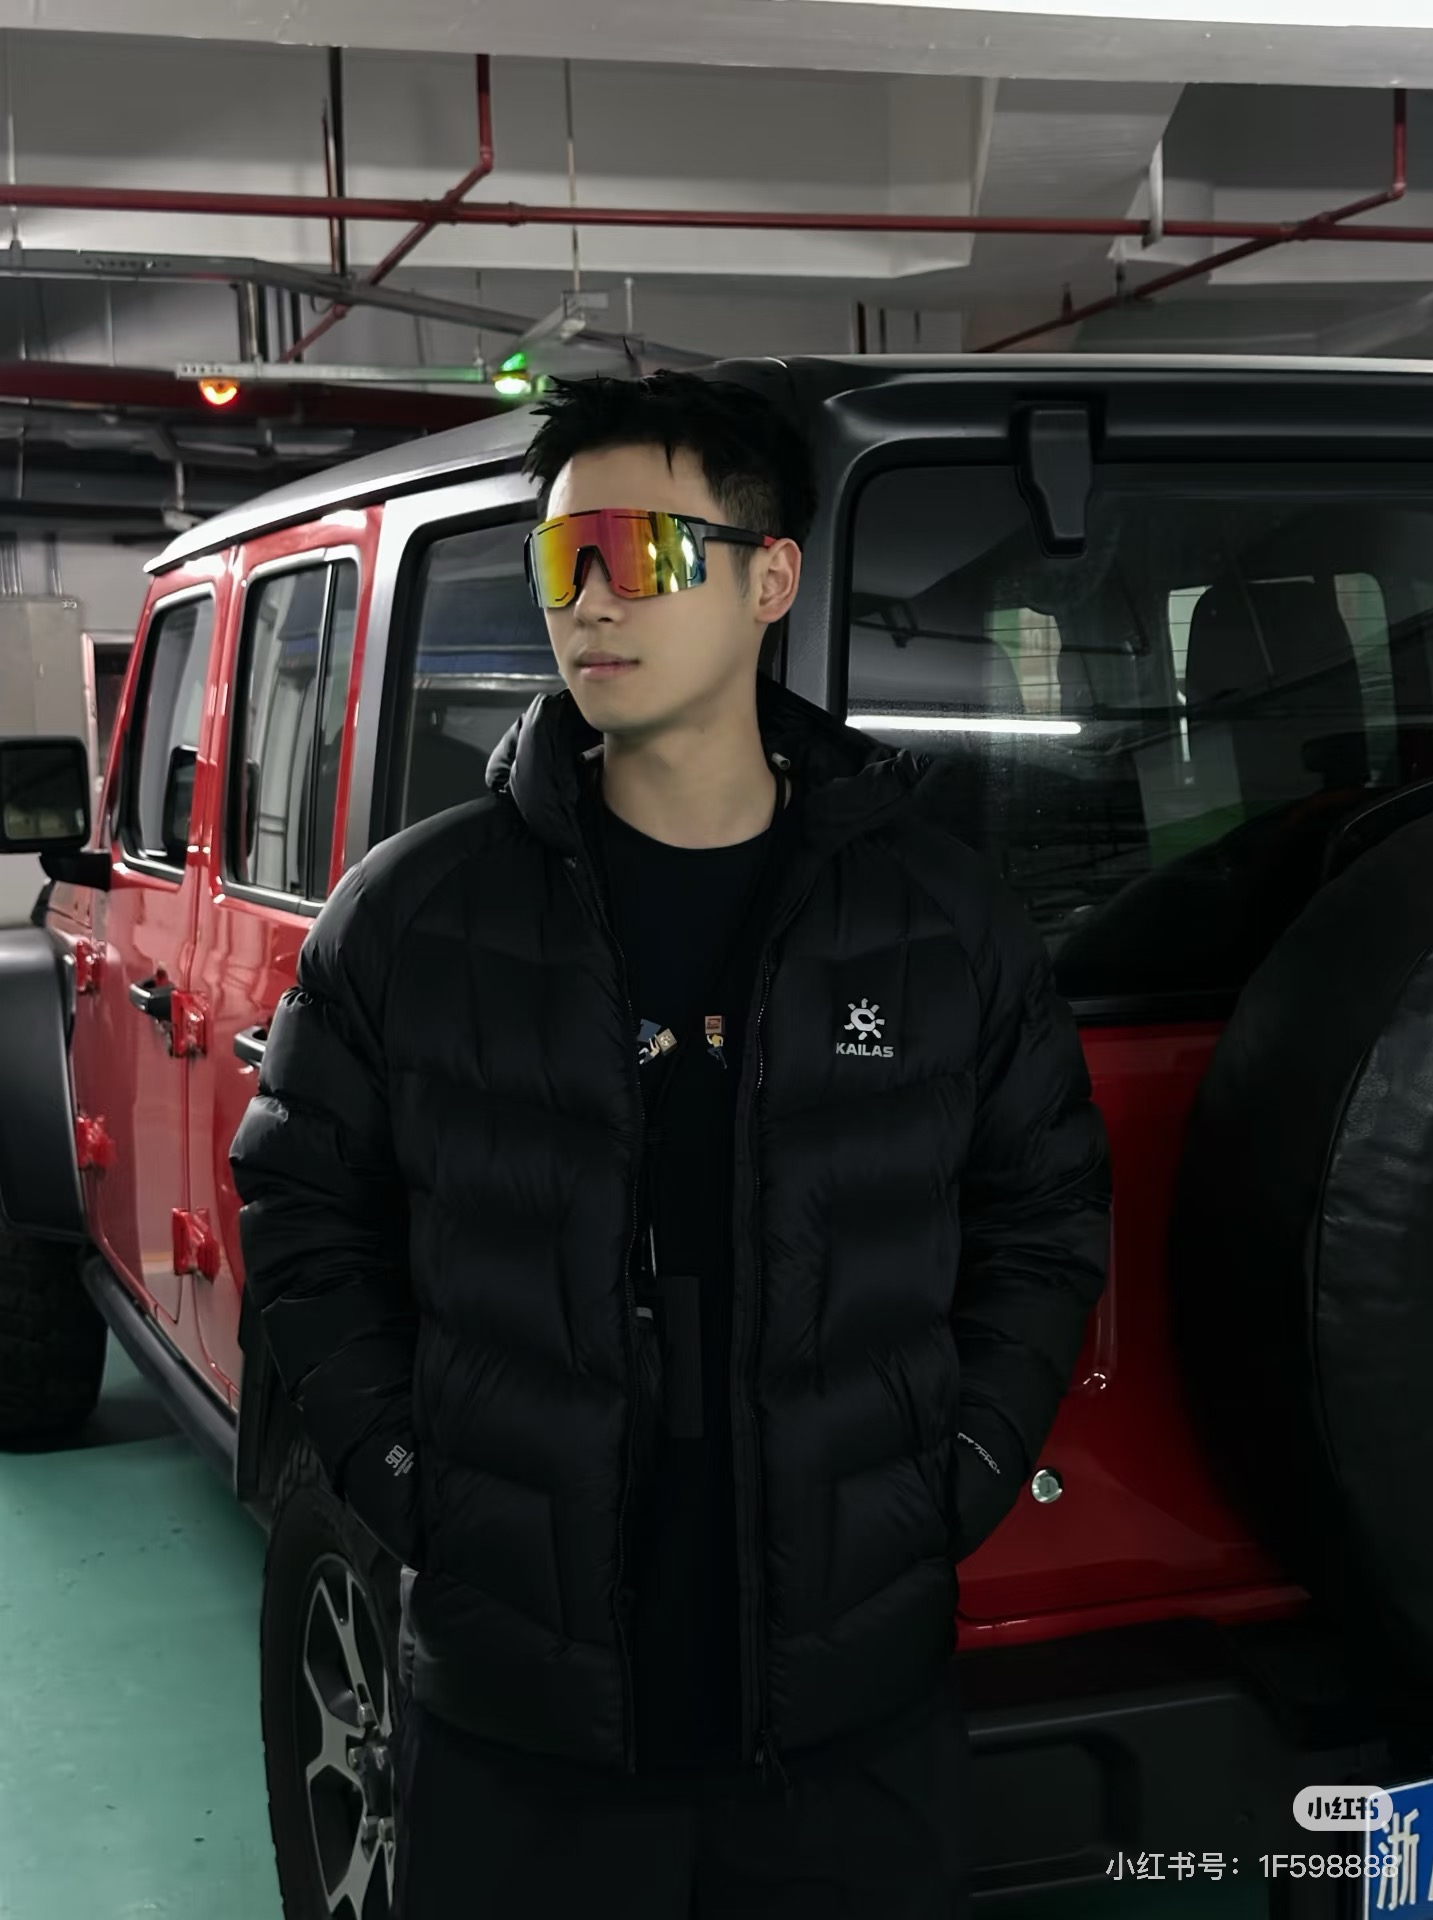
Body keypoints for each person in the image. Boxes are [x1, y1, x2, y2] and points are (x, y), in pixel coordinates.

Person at [229, 369, 1112, 1918]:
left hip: (850, 1719)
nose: (589, 600)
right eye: (561, 558)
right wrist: (407, 1476)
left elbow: (1043, 1215)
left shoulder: (936, 920)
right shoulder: (417, 919)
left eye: (639, 552)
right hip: (521, 1725)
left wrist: (959, 1470)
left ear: (772, 580)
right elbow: (305, 1205)